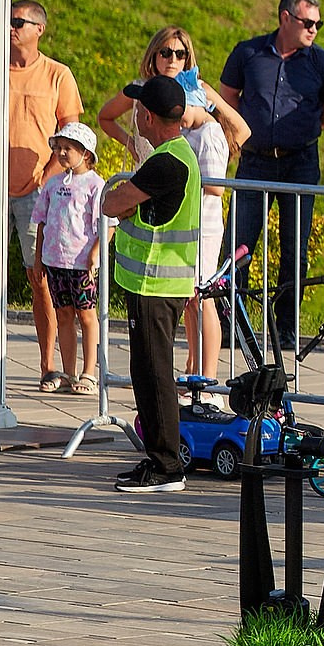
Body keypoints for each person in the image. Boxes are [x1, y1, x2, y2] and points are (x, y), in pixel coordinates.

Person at [98, 27, 247, 385]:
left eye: (180, 54)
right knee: (182, 296)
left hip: (187, 210)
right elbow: (105, 116)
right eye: (166, 52)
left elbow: (239, 135)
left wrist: (212, 114)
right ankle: (191, 374)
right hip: (152, 205)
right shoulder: (143, 89)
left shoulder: (199, 109)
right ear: (154, 54)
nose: (173, 59)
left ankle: (204, 378)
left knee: (199, 295)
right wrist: (130, 143)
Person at [220, 0, 324, 350]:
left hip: (299, 162)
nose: (314, 29)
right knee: (239, 243)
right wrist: (242, 132)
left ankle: (286, 327)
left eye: (319, 24)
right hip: (255, 159)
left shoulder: (322, 63)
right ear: (285, 19)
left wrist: (302, 130)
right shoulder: (249, 53)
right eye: (308, 22)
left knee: (294, 247)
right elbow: (228, 96)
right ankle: (232, 322)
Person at [101, 78, 204, 493]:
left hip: (155, 283)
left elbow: (111, 203)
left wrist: (126, 208)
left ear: (146, 116)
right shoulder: (178, 154)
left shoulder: (165, 162)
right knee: (149, 369)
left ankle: (165, 466)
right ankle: (162, 459)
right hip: (159, 282)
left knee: (153, 372)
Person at [7, 0, 84, 392]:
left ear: (39, 28)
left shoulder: (57, 75)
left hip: (35, 192)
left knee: (39, 278)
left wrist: (48, 180)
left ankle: (48, 365)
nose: (10, 27)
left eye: (18, 21)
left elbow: (73, 134)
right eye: (8, 20)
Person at [32, 123, 105, 395]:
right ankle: (68, 372)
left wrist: (96, 252)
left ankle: (88, 372)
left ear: (85, 153)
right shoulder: (52, 184)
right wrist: (39, 258)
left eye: (68, 148)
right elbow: (41, 222)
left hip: (81, 263)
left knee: (86, 315)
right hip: (55, 261)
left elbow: (105, 225)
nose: (61, 153)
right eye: (59, 148)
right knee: (63, 314)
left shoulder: (96, 186)